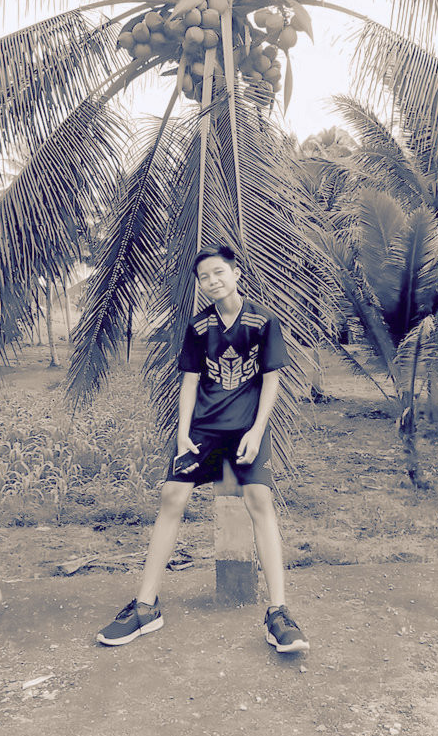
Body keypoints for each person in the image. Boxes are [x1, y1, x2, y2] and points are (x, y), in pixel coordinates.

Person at [97, 243, 309, 653]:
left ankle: (278, 613)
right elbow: (190, 381)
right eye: (204, 277)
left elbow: (271, 380)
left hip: (246, 429)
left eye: (218, 272)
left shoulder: (263, 321)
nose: (212, 281)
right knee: (171, 497)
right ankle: (145, 607)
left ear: (236, 273)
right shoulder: (198, 327)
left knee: (260, 501)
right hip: (204, 429)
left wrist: (257, 430)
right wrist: (182, 433)